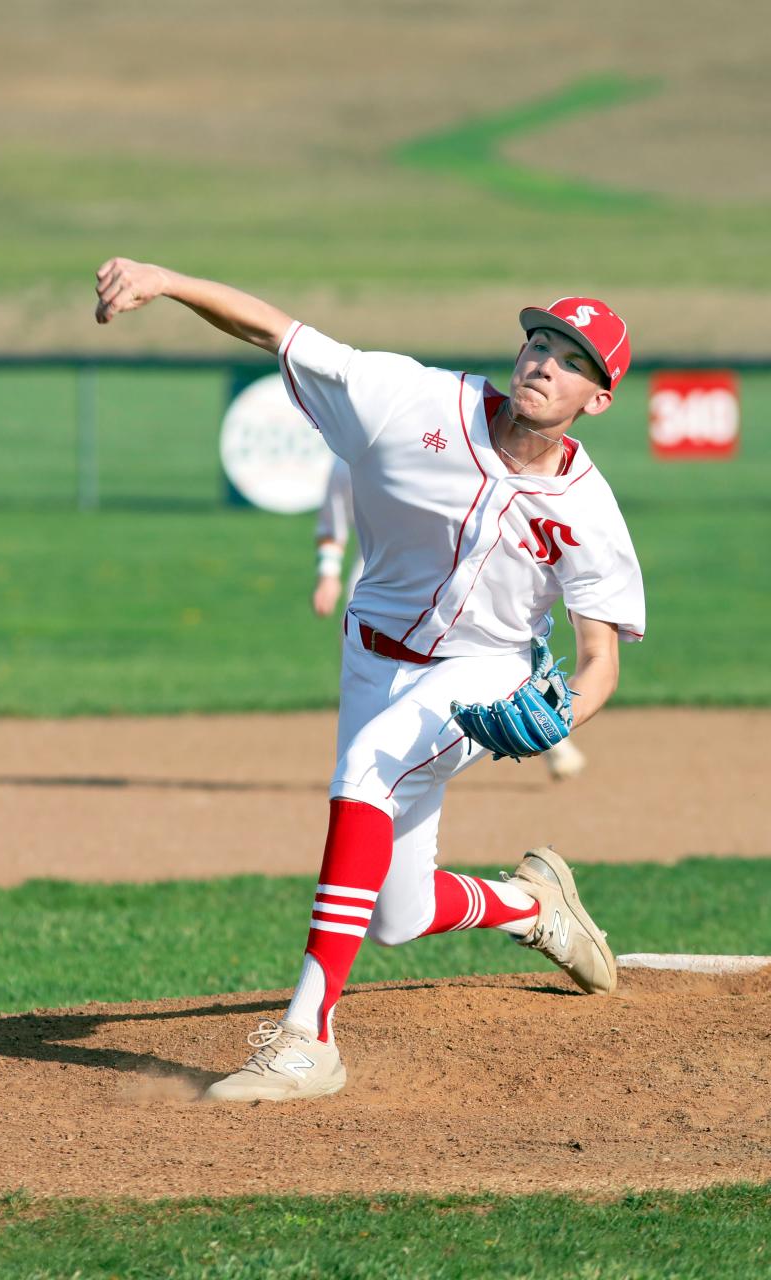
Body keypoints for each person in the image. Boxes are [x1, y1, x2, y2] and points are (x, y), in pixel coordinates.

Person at [95, 262, 645, 1103]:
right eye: (539, 341)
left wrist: (564, 710)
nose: (544, 362)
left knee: (367, 772)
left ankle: (307, 1039)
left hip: (479, 678)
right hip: (370, 658)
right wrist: (164, 281)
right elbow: (276, 331)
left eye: (572, 361)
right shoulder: (412, 400)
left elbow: (600, 657)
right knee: (397, 915)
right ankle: (532, 906)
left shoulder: (589, 510)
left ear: (597, 400)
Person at [312, 457, 589, 781]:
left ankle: (550, 736)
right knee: (369, 674)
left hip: (440, 578)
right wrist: (327, 574)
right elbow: (332, 526)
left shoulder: (433, 447)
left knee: (483, 656)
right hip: (370, 585)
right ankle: (376, 763)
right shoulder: (346, 459)